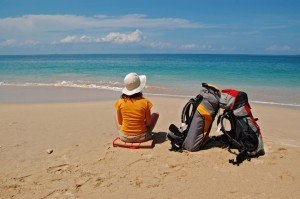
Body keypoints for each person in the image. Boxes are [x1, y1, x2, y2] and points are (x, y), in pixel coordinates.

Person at [114, 72, 159, 142]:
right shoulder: (145, 102)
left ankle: (125, 130)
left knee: (116, 113)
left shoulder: (120, 102)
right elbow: (148, 123)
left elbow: (120, 122)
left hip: (124, 137)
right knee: (156, 114)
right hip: (142, 137)